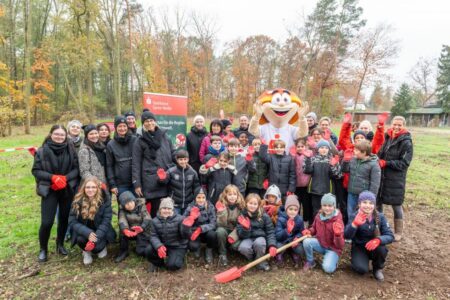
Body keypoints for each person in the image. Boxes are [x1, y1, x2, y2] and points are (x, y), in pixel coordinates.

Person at [32, 125, 79, 262]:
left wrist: (65, 178)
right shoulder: (41, 151)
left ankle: (60, 244)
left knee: (64, 219)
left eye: (62, 135)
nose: (59, 137)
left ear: (66, 136)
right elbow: (36, 171)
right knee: (47, 222)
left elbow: (76, 169)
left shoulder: (71, 150)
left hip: (66, 189)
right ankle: (43, 249)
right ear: (51, 134)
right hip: (49, 190)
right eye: (56, 134)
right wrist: (52, 177)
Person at [132, 110, 175, 217]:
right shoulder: (139, 141)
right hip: (149, 181)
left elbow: (173, 153)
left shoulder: (165, 137)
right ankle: (149, 232)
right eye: (146, 121)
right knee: (150, 213)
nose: (149, 123)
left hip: (164, 179)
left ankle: (160, 232)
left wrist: (181, 159)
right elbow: (136, 163)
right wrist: (137, 184)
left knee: (162, 211)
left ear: (155, 121)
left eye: (151, 120)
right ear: (143, 124)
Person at [377, 116, 413, 242]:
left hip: (396, 179)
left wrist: (386, 163)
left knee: (396, 205)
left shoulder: (406, 142)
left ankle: (398, 232)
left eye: (399, 125)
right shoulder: (387, 137)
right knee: (379, 203)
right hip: (382, 177)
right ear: (391, 124)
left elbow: (404, 163)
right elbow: (380, 152)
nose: (396, 127)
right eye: (394, 124)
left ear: (404, 125)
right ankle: (380, 228)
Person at [345, 191, 394, 281]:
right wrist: (354, 224)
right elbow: (347, 236)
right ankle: (359, 260)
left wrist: (378, 240)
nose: (368, 205)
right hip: (359, 247)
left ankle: (377, 268)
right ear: (359, 204)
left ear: (374, 205)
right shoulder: (354, 216)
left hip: (374, 247)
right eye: (364, 202)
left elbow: (390, 235)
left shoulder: (380, 216)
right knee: (361, 269)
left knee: (381, 248)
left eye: (371, 203)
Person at [69, 177, 116, 265]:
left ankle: (101, 247)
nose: (90, 190)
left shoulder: (105, 200)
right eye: (88, 187)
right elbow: (72, 221)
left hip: (100, 231)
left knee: (98, 249)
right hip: (84, 232)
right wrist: (87, 233)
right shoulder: (77, 201)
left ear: (98, 188)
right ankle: (86, 252)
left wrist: (96, 237)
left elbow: (106, 221)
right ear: (84, 188)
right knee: (81, 240)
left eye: (93, 187)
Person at [301, 193, 345, 273]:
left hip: (333, 249)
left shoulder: (338, 220)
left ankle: (333, 260)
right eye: (324, 205)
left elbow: (340, 245)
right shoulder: (319, 216)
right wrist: (309, 231)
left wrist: (338, 235)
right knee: (306, 242)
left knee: (328, 269)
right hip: (321, 244)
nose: (327, 208)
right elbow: (314, 228)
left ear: (334, 206)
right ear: (321, 205)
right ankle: (311, 261)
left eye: (330, 206)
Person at [236, 193, 277, 271]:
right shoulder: (242, 216)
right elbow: (240, 234)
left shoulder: (264, 216)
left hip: (260, 237)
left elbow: (270, 231)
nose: (252, 206)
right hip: (248, 237)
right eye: (250, 203)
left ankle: (261, 262)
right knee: (243, 248)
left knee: (259, 243)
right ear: (246, 203)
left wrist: (272, 245)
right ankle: (255, 260)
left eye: (255, 204)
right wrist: (246, 228)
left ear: (258, 205)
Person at [147, 197, 190, 272]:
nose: (166, 211)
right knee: (148, 250)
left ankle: (178, 259)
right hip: (163, 246)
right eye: (164, 208)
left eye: (169, 209)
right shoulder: (154, 221)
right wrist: (158, 246)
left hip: (177, 246)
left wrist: (186, 228)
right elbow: (153, 235)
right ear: (160, 209)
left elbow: (185, 236)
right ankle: (158, 263)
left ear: (172, 209)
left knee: (173, 265)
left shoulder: (181, 219)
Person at [342, 140, 381, 218]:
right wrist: (346, 161)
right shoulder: (353, 159)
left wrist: (370, 198)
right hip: (352, 193)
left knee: (363, 215)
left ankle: (362, 230)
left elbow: (375, 183)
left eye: (356, 150)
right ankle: (352, 229)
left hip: (364, 196)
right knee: (351, 213)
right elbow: (345, 170)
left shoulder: (374, 165)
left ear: (364, 152)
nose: (354, 151)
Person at [303, 139, 342, 218]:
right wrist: (307, 159)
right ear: (317, 149)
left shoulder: (332, 159)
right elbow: (307, 171)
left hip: (329, 190)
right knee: (316, 210)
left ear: (329, 149)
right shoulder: (312, 159)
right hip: (315, 190)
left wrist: (332, 166)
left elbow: (338, 175)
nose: (324, 150)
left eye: (326, 148)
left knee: (329, 209)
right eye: (321, 148)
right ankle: (316, 226)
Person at [159, 150, 200, 215]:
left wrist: (195, 200)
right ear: (177, 160)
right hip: (174, 204)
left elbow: (196, 187)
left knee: (185, 223)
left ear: (188, 159)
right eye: (181, 159)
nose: (183, 161)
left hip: (188, 204)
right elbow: (163, 183)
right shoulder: (171, 171)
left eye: (185, 159)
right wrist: (162, 178)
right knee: (175, 222)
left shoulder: (193, 172)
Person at [115, 191, 152, 263]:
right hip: (131, 230)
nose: (130, 205)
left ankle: (141, 247)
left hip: (142, 230)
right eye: (126, 204)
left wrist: (142, 227)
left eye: (131, 202)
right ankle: (124, 251)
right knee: (122, 233)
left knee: (141, 252)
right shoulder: (122, 211)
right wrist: (125, 229)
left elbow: (147, 217)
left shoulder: (141, 206)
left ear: (134, 200)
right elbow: (122, 219)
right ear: (123, 205)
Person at [182, 188, 217, 264]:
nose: (201, 200)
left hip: (206, 232)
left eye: (203, 197)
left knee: (212, 235)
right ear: (195, 198)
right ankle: (197, 248)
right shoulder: (190, 207)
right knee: (192, 246)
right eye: (198, 197)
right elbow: (183, 221)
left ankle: (209, 250)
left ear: (206, 198)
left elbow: (213, 223)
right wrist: (191, 218)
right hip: (194, 233)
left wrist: (201, 228)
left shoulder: (210, 206)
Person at [106, 115, 137, 197]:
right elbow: (109, 166)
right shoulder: (111, 144)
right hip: (121, 184)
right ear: (116, 128)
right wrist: (112, 184)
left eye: (124, 126)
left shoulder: (135, 140)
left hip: (135, 182)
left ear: (127, 127)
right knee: (124, 208)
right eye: (120, 126)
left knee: (138, 207)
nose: (122, 128)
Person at [215, 184, 245, 266]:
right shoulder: (222, 205)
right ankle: (222, 254)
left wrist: (233, 235)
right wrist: (222, 212)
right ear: (225, 195)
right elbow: (220, 224)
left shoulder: (241, 206)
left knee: (235, 246)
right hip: (225, 229)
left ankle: (232, 250)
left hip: (236, 231)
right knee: (220, 231)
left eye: (234, 194)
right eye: (230, 194)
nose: (232, 197)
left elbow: (240, 225)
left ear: (238, 195)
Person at [275, 195, 305, 268]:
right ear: (286, 209)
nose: (293, 212)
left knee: (300, 250)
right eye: (290, 209)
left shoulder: (299, 220)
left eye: (295, 210)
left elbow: (301, 232)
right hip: (283, 240)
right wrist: (287, 231)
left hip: (293, 241)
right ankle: (279, 256)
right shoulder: (281, 219)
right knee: (278, 248)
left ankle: (294, 253)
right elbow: (278, 236)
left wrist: (297, 237)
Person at [292, 138, 312, 225]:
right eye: (298, 146)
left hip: (306, 185)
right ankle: (296, 222)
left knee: (306, 205)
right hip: (297, 185)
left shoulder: (309, 155)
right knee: (297, 204)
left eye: (302, 146)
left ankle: (306, 221)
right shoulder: (294, 156)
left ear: (305, 147)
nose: (300, 148)